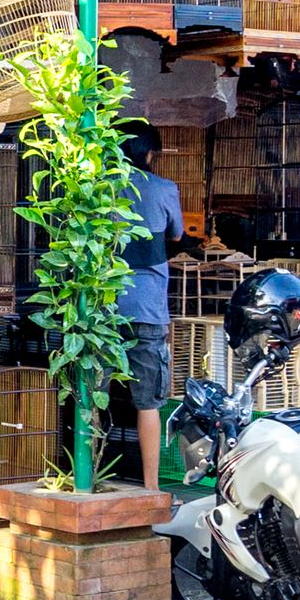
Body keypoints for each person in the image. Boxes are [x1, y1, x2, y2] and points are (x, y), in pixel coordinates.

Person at [118, 122, 185, 480]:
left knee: (91, 396)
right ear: (147, 154)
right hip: (148, 307)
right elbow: (177, 234)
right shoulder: (163, 188)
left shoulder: (99, 189)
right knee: (148, 403)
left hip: (103, 308)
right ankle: (151, 486)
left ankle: (88, 478)